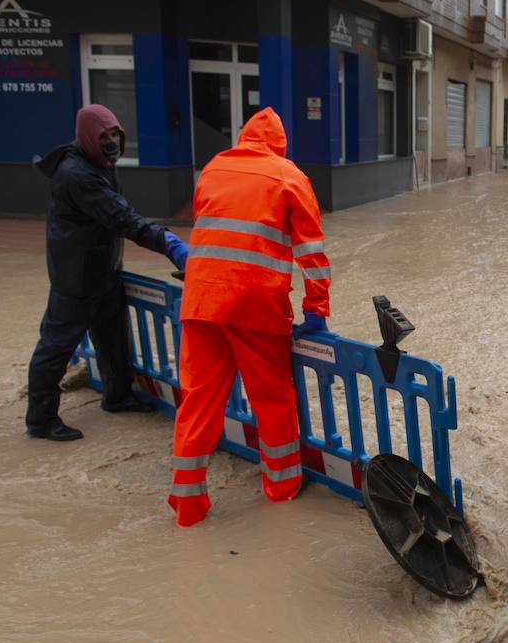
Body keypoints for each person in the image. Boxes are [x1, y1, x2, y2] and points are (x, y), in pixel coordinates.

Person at [167, 107, 331, 528]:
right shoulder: (290, 177)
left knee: (198, 402)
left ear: (243, 138)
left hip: (201, 302)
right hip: (256, 307)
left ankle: (187, 507)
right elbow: (311, 254)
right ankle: (282, 490)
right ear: (279, 144)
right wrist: (316, 309)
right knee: (272, 400)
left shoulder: (213, 168)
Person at [26, 104, 188, 442]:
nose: (112, 142)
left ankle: (118, 396)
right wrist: (171, 244)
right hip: (76, 276)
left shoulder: (98, 164)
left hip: (104, 269)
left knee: (113, 338)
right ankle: (41, 419)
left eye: (115, 135)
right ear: (87, 137)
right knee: (56, 344)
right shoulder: (78, 174)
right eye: (104, 137)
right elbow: (123, 218)